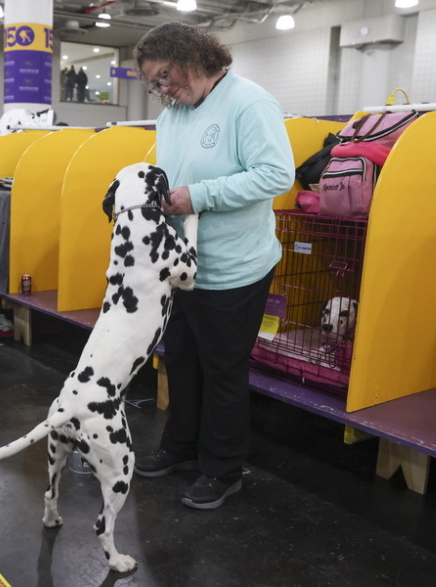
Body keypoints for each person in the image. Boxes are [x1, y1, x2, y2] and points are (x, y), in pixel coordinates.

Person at [132, 23, 295, 509]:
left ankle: (223, 468)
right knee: (181, 359)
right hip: (183, 267)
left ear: (192, 56)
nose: (162, 89)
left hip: (235, 268)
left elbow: (276, 174)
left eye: (165, 75)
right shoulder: (173, 114)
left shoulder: (249, 103)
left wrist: (199, 196)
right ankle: (180, 447)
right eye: (154, 82)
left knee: (222, 369)